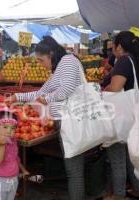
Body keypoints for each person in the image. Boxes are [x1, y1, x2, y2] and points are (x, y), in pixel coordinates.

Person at [6, 36, 85, 200]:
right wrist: (16, 97)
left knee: (74, 169)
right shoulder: (58, 69)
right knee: (72, 167)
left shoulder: (68, 60)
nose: (41, 65)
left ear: (51, 53)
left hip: (72, 121)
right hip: (65, 122)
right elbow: (41, 93)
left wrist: (47, 100)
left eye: (42, 60)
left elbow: (67, 88)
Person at [103, 31, 139, 200]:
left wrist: (102, 90)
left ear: (119, 46)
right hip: (134, 115)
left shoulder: (123, 61)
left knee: (117, 156)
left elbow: (115, 88)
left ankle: (119, 195)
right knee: (130, 156)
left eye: (113, 45)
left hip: (121, 116)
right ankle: (138, 189)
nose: (112, 48)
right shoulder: (137, 60)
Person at [0, 109, 29, 200]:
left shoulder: (13, 142)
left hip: (14, 179)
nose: (9, 131)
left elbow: (15, 158)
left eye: (12, 128)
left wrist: (23, 170)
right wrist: (2, 146)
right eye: (5, 127)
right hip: (0, 181)